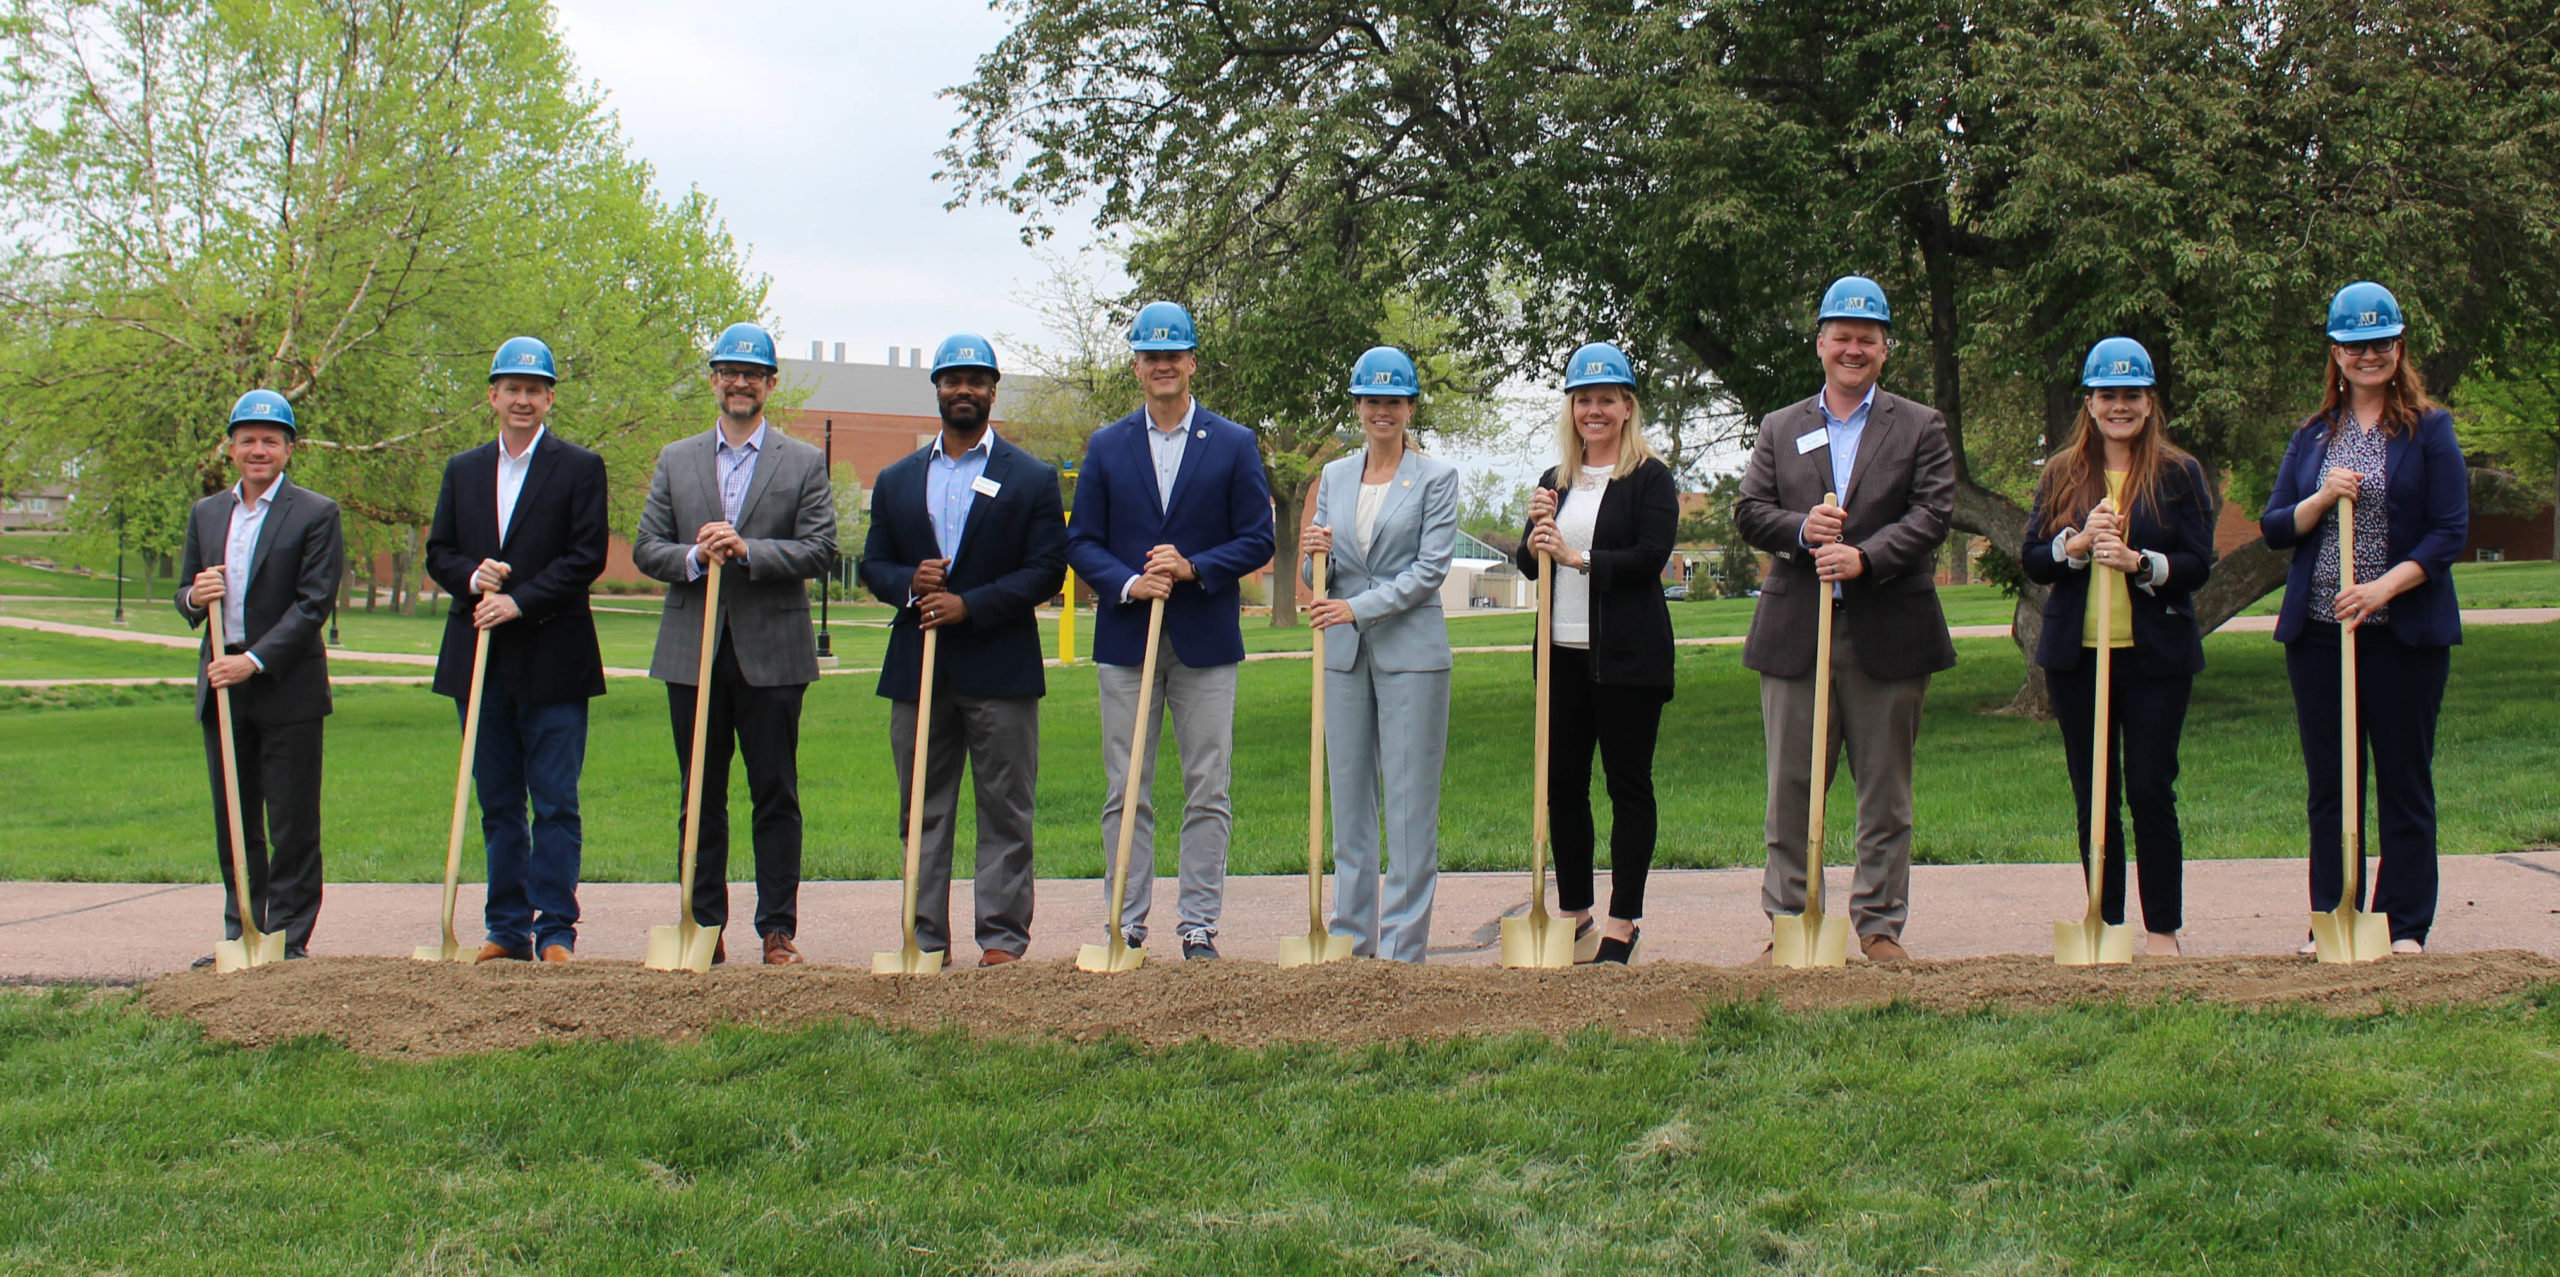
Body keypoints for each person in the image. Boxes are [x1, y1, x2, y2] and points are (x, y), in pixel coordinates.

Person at [1734, 275, 1956, 964]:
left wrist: (1865, 556)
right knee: (1791, 790)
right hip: (1797, 630)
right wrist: (1803, 530)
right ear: (1822, 343)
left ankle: (1880, 925)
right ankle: (1792, 924)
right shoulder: (1781, 427)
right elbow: (1749, 510)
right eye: (1842, 336)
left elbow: (1933, 512)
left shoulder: (1920, 425)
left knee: (1885, 792)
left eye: (1867, 337)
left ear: (1885, 348)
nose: (1853, 348)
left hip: (1890, 631)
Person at [2260, 281, 2467, 956]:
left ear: (2398, 347)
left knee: (2404, 779)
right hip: (2320, 635)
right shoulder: (2315, 435)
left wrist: (2382, 588)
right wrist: (2322, 497)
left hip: (2402, 635)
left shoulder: (2428, 429)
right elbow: (2274, 527)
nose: (2367, 356)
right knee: (2332, 784)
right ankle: (2333, 913)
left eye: (2379, 344)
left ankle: (2403, 923)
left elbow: (2448, 531)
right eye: (2355, 346)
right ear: (2336, 353)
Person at [1065, 300, 1276, 960]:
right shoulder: (1106, 446)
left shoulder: (1234, 443)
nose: (1163, 366)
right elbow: (1082, 541)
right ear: (1137, 366)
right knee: (1126, 786)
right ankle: (1124, 923)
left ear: (1191, 363)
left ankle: (1198, 925)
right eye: (1151, 356)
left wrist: (1193, 568)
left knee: (1208, 783)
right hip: (1129, 637)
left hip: (1205, 641)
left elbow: (1257, 536)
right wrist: (1131, 582)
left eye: (1173, 355)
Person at [632, 321, 837, 965]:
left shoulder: (801, 461)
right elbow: (646, 547)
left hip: (772, 654)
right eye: (729, 371)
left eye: (753, 373)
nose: (740, 382)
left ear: (771, 384)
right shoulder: (677, 458)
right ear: (714, 379)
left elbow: (821, 548)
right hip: (692, 653)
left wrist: (748, 549)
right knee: (699, 793)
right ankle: (703, 926)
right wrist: (696, 554)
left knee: (775, 792)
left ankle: (777, 928)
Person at [858, 333, 1067, 966]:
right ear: (938, 391)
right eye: (953, 380)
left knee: (1005, 810)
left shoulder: (1029, 478)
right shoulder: (897, 481)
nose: (964, 390)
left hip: (999, 669)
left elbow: (1046, 571)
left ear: (993, 390)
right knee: (922, 809)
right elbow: (874, 563)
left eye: (977, 380)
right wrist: (907, 586)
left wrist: (970, 605)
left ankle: (1002, 939)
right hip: (919, 668)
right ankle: (923, 939)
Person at [2020, 337, 2215, 957]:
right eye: (2109, 396)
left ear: (2150, 403)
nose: (2120, 407)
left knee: (2151, 789)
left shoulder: (2179, 473)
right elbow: (2033, 558)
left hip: (2155, 660)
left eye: (2132, 396)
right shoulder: (2060, 474)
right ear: (2091, 403)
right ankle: (2102, 923)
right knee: (2093, 794)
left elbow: (2197, 562)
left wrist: (2139, 562)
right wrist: (2072, 547)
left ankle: (2161, 929)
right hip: (2080, 660)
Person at [423, 336, 610, 963]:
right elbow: (439, 552)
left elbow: (584, 557)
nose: (522, 400)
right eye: (512, 389)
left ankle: (555, 928)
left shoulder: (580, 468)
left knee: (555, 802)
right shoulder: (463, 470)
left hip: (554, 657)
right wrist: (472, 579)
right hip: (480, 662)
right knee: (499, 802)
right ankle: (506, 928)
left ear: (549, 398)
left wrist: (520, 600)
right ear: (493, 396)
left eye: (534, 390)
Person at [1511, 341, 1678, 964]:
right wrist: (1534, 534)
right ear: (1572, 408)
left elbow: (1649, 559)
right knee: (1563, 787)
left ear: (1627, 407)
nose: (1595, 410)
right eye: (1584, 399)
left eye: (1607, 399)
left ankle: (1622, 919)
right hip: (1560, 657)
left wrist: (1581, 559)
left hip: (1627, 659)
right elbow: (1530, 565)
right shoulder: (1554, 480)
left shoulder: (1650, 479)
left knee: (1627, 786)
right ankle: (1576, 913)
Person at [1301, 346, 1460, 962]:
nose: (1381, 411)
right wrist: (1319, 554)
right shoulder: (1337, 475)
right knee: (1349, 799)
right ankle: (1349, 940)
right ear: (1358, 406)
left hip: (1412, 655)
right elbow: (1326, 574)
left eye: (1393, 401)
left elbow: (1428, 572)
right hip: (1344, 656)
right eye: (1371, 400)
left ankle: (1401, 952)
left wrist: (1353, 607)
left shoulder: (1436, 478)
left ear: (1410, 406)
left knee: (1409, 801)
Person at [175, 390, 344, 965]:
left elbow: (313, 603)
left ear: (288, 449)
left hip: (285, 684)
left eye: (270, 440)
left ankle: (288, 938)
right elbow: (186, 594)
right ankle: (242, 931)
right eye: (247, 439)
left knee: (292, 821)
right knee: (235, 819)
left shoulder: (315, 512)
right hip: (223, 686)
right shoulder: (207, 513)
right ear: (230, 448)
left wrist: (254, 660)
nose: (258, 449)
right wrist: (195, 596)